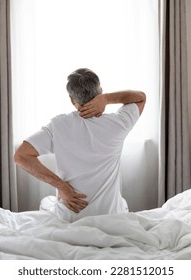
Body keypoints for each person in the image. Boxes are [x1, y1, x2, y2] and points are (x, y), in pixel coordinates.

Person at [14, 68, 146, 222]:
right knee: (123, 205)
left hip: (70, 217)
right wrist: (107, 98)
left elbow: (21, 156)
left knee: (47, 203)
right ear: (100, 92)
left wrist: (62, 187)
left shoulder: (58, 126)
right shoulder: (119, 123)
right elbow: (141, 97)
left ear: (72, 100)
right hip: (110, 216)